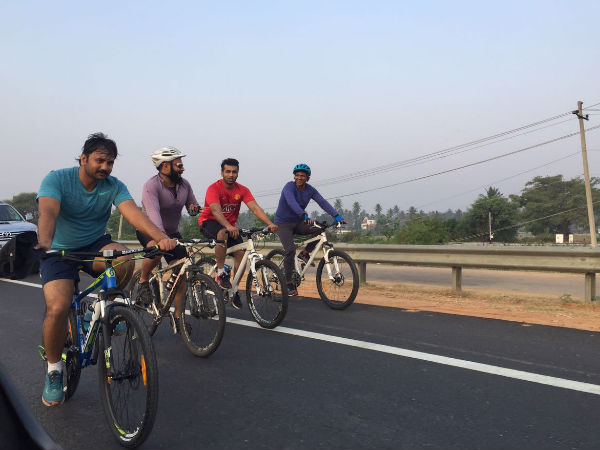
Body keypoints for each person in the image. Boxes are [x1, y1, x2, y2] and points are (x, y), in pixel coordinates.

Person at [36, 132, 176, 407]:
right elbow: (48, 212)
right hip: (59, 250)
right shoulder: (57, 179)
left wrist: (160, 238)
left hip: (94, 245)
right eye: (100, 160)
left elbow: (134, 215)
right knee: (58, 307)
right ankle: (54, 370)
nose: (105, 167)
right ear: (84, 158)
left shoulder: (113, 185)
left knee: (124, 260)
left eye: (110, 162)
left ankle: (104, 309)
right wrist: (45, 241)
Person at [134, 147, 202, 329]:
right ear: (165, 166)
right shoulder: (151, 186)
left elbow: (192, 206)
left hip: (172, 232)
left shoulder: (185, 185)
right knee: (156, 252)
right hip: (149, 229)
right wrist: (161, 238)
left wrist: (195, 208)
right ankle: (143, 280)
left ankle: (178, 318)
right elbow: (154, 215)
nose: (183, 168)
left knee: (182, 274)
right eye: (179, 165)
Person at [197, 158, 277, 309]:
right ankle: (221, 273)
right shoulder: (213, 188)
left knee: (241, 254)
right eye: (228, 171)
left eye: (234, 172)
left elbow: (255, 208)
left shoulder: (242, 190)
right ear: (222, 173)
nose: (231, 175)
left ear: (238, 173)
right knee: (222, 232)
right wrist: (228, 226)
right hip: (209, 222)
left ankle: (234, 290)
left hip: (230, 227)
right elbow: (216, 210)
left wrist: (269, 223)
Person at [273, 163, 345, 296]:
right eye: (297, 175)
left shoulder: (310, 190)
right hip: (283, 223)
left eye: (302, 176)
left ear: (308, 178)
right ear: (294, 177)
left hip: (298, 222)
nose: (299, 178)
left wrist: (336, 215)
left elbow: (322, 202)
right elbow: (291, 202)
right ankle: (288, 283)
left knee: (319, 230)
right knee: (290, 250)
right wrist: (303, 215)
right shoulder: (289, 187)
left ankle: (305, 253)